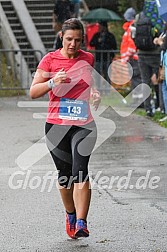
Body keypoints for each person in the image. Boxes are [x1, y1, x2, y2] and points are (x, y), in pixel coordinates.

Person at [30, 18, 101, 239]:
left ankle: (82, 221)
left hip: (83, 124)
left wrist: (95, 94)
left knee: (81, 170)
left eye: (78, 40)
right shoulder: (49, 60)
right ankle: (70, 214)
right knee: (65, 176)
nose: (73, 44)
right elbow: (33, 92)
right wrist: (52, 82)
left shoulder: (88, 57)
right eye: (69, 39)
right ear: (62, 37)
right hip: (56, 126)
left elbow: (91, 85)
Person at [120, 7, 143, 105]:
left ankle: (138, 101)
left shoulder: (132, 28)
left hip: (133, 58)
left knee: (136, 79)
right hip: (133, 58)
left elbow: (131, 45)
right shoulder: (132, 27)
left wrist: (126, 57)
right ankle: (137, 100)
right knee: (135, 79)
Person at [89, 21, 117, 95]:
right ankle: (99, 90)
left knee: (107, 75)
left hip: (107, 58)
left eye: (101, 26)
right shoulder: (97, 35)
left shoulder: (110, 36)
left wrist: (107, 43)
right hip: (98, 58)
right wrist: (97, 41)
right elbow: (91, 43)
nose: (100, 28)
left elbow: (114, 46)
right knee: (98, 75)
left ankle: (107, 91)